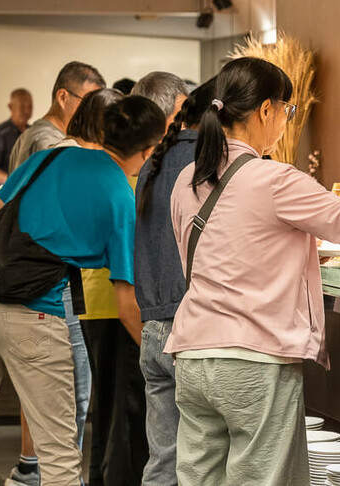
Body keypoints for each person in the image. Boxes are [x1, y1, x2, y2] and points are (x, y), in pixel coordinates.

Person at [165, 57, 340, 485]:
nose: (285, 121)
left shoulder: (185, 180)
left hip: (193, 356)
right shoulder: (274, 179)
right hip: (254, 362)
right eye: (286, 110)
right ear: (266, 110)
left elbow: (204, 262)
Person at [0, 95, 167, 486]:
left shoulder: (48, 158)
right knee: (58, 453)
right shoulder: (121, 196)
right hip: (33, 313)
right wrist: (159, 360)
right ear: (151, 149)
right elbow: (125, 302)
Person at [6, 62, 105, 486]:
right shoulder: (51, 142)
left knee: (42, 389)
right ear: (63, 97)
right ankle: (53, 476)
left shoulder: (35, 138)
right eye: (89, 100)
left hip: (31, 276)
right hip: (49, 280)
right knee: (66, 392)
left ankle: (31, 470)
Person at [64, 89, 150, 486]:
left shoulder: (95, 170)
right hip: (113, 302)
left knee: (108, 411)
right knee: (123, 413)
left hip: (93, 300)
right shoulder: (115, 178)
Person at [134, 76, 216, 486]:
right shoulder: (210, 163)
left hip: (152, 328)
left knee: (163, 464)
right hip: (192, 331)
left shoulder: (150, 165)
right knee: (202, 468)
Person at [9, 62, 105, 170]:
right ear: (63, 97)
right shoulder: (49, 143)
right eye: (88, 103)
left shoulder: (28, 135)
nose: (92, 113)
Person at [0, 88, 33, 185]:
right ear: (11, 107)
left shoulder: (33, 132)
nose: (26, 111)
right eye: (22, 107)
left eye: (30, 107)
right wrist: (12, 181)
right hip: (4, 189)